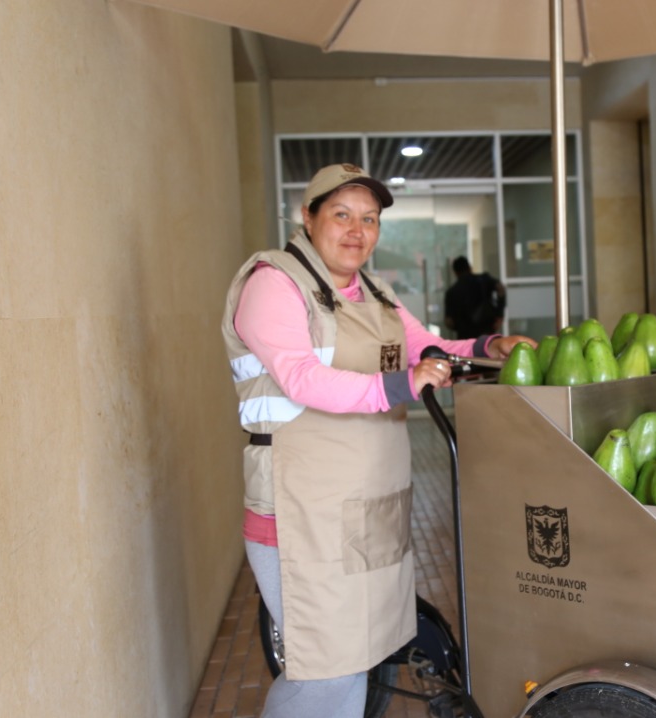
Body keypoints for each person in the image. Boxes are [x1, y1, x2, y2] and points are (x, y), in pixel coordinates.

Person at [220, 163, 535, 718]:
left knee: (357, 666)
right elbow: (300, 377)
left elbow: (429, 348)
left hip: (369, 510)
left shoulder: (374, 291)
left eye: (369, 219)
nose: (356, 231)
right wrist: (400, 385)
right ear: (308, 217)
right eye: (341, 214)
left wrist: (489, 346)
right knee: (325, 672)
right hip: (300, 516)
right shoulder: (273, 283)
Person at [443, 255, 507, 339]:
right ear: (469, 267)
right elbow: (500, 289)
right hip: (486, 331)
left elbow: (449, 322)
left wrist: (459, 325)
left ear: (455, 272)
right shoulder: (483, 280)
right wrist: (499, 314)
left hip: (465, 337)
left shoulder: (452, 292)